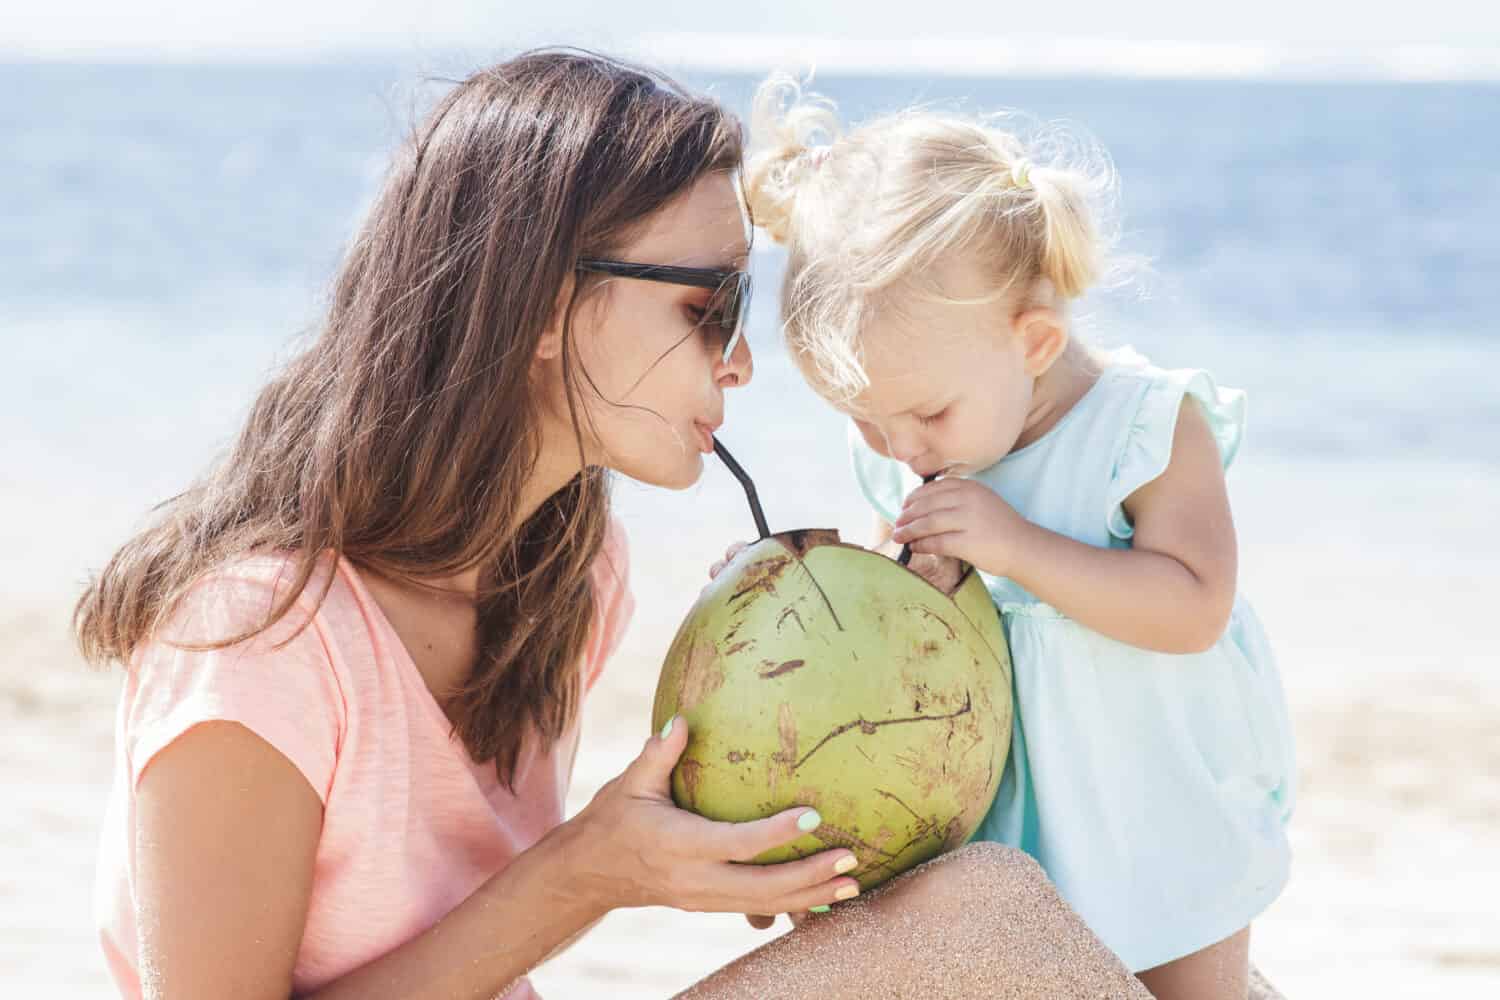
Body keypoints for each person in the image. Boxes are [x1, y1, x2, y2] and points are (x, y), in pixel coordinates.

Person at [76, 50, 1158, 999]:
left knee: (1036, 922)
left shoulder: (571, 575)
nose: (739, 362)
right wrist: (593, 873)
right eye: (710, 307)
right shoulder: (258, 637)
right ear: (545, 302)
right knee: (987, 916)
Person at [740, 75, 1298, 999]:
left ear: (1034, 342)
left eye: (924, 415)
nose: (899, 449)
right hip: (1011, 821)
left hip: (1160, 809)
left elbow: (1196, 606)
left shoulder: (1144, 429)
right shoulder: (910, 448)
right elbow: (904, 629)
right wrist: (796, 594)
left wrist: (1021, 548)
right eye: (866, 422)